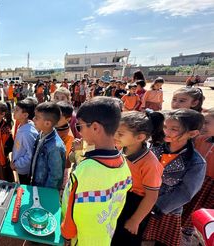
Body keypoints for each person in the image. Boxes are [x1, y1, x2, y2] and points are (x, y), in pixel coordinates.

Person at [61, 96, 132, 245]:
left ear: (95, 127)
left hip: (81, 239)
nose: (79, 132)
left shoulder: (85, 170)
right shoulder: (123, 162)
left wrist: (67, 236)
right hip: (104, 236)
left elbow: (71, 209)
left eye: (80, 126)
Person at [143, 109, 206, 246]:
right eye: (165, 127)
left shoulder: (196, 162)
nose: (166, 131)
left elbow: (186, 191)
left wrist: (158, 206)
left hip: (165, 211)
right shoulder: (155, 149)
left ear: (193, 133)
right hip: (142, 201)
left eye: (174, 129)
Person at [112, 111, 164, 245]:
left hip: (134, 205)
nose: (115, 135)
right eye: (115, 131)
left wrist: (135, 220)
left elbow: (151, 196)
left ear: (140, 137)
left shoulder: (150, 163)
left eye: (120, 133)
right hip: (119, 197)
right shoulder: (121, 148)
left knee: (125, 239)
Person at [181, 108, 214, 238]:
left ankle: (193, 230)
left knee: (203, 207)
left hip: (210, 184)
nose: (203, 126)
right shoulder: (201, 139)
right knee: (190, 204)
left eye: (207, 122)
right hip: (196, 179)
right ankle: (186, 227)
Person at [30, 102, 66, 189]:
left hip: (45, 191)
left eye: (37, 118)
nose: (33, 119)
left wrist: (45, 194)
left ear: (47, 123)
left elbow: (55, 176)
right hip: (37, 185)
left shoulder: (55, 147)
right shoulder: (40, 134)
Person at [11, 99, 38, 185]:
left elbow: (30, 155)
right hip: (19, 166)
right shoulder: (22, 126)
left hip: (24, 169)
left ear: (25, 115)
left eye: (17, 110)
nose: (14, 111)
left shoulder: (27, 133)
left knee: (23, 187)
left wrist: (17, 164)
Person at [55, 101, 75, 190]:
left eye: (59, 117)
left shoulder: (68, 136)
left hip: (59, 168)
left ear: (68, 119)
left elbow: (62, 157)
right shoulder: (55, 127)